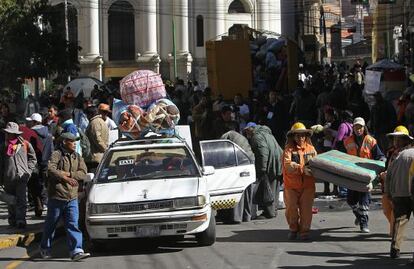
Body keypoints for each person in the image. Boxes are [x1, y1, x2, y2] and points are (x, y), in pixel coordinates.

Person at [40, 132, 90, 261]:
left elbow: (83, 173)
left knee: (73, 224)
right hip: (57, 196)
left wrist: (68, 174)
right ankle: (45, 248)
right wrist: (64, 178)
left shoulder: (77, 156)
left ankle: (76, 251)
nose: (74, 143)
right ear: (64, 142)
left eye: (75, 141)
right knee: (51, 224)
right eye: (71, 141)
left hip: (72, 197)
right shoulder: (57, 154)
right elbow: (50, 170)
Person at [344, 117, 385, 233]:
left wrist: (382, 161)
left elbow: (380, 156)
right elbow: (339, 156)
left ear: (364, 128)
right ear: (353, 128)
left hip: (365, 175)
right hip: (352, 174)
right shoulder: (347, 141)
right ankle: (358, 215)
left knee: (364, 200)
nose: (358, 129)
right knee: (351, 200)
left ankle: (364, 223)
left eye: (360, 127)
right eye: (356, 127)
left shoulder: (371, 141)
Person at [282, 122, 317, 240]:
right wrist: (302, 169)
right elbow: (288, 166)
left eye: (303, 135)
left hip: (308, 185)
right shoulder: (288, 150)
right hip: (291, 185)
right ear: (293, 137)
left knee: (306, 211)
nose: (301, 138)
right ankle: (293, 228)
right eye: (298, 135)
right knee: (291, 209)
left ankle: (304, 232)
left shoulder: (311, 149)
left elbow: (317, 164)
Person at [0, 122, 37, 228]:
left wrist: (28, 171)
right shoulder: (3, 146)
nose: (7, 135)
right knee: (11, 200)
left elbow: (33, 158)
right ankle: (12, 220)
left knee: (21, 200)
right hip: (8, 177)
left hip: (22, 177)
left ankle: (21, 220)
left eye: (10, 133)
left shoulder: (25, 144)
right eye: (7, 133)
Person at [244, 122, 283, 219]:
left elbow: (263, 152)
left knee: (267, 187)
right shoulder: (267, 134)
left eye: (247, 130)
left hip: (271, 164)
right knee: (274, 187)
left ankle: (269, 212)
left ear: (251, 129)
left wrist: (262, 169)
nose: (246, 133)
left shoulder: (256, 137)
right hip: (278, 162)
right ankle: (273, 210)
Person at [380, 126, 413, 237]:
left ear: (405, 140)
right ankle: (395, 229)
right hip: (389, 186)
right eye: (395, 139)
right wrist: (385, 174)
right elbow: (388, 167)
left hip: (402, 188)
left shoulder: (409, 153)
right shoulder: (391, 152)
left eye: (399, 139)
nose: (396, 142)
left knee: (396, 211)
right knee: (386, 208)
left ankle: (394, 234)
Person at [384, 146, 414, 259]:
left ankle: (395, 249)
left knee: (400, 221)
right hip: (411, 192)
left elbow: (389, 175)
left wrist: (388, 192)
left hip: (400, 192)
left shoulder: (399, 156)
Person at [219, 130, 255, 223]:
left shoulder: (227, 139)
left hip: (240, 165)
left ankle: (236, 218)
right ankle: (246, 216)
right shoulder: (240, 137)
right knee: (247, 192)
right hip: (250, 164)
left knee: (238, 191)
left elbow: (225, 155)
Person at [26, 113, 54, 217]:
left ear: (34, 122)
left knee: (33, 183)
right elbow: (51, 149)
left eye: (31, 121)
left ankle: (35, 203)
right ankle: (44, 202)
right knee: (44, 182)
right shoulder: (49, 134)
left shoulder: (32, 133)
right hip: (46, 161)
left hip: (35, 161)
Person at [85, 106, 109, 171]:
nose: (87, 117)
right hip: (100, 156)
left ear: (90, 114)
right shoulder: (102, 121)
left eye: (87, 115)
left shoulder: (94, 123)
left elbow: (97, 139)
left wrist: (106, 150)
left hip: (95, 157)